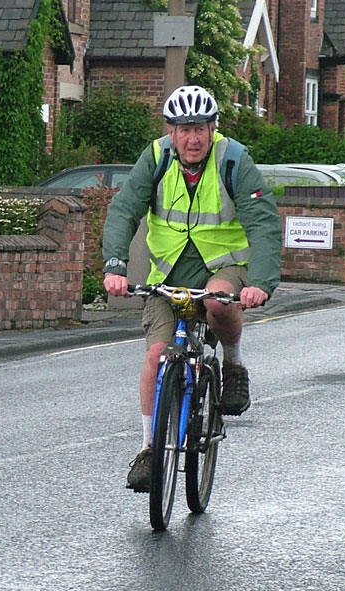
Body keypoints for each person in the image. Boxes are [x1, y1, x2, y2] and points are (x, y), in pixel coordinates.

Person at [100, 85, 282, 492]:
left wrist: (261, 283)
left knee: (219, 304)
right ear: (171, 131)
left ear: (214, 127)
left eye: (200, 127)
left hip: (223, 265)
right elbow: (124, 210)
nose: (192, 137)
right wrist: (114, 266)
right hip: (166, 274)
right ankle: (149, 447)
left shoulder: (234, 160)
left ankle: (233, 364)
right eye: (184, 129)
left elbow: (262, 220)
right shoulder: (156, 157)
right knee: (155, 357)